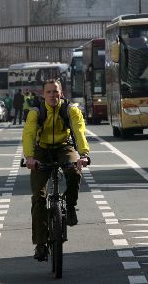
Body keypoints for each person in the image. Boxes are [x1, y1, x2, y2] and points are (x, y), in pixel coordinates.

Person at [22, 79, 90, 262]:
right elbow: (28, 134)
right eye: (49, 92)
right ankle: (41, 244)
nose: (53, 95)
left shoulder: (70, 110)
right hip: (41, 150)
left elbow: (79, 131)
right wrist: (29, 158)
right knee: (38, 198)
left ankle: (69, 206)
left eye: (56, 91)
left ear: (62, 93)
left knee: (74, 171)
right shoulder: (36, 112)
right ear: (43, 94)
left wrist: (83, 154)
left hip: (63, 147)